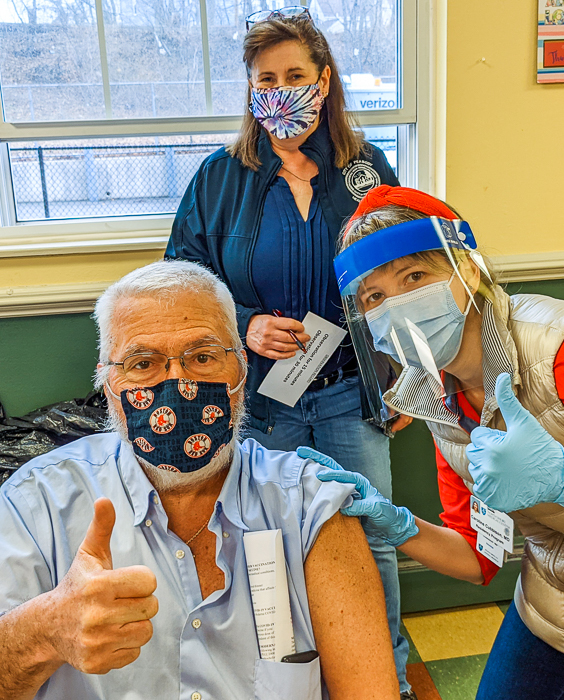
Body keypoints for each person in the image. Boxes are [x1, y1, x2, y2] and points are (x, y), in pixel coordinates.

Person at [0, 260, 400, 700]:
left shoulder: (309, 507)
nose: (178, 383)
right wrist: (45, 629)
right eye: (142, 363)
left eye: (203, 357)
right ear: (107, 382)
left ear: (242, 371)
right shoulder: (35, 506)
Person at [165, 12, 414, 695]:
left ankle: (378, 677)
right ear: (249, 90)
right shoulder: (219, 179)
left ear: (324, 80)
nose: (281, 92)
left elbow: (401, 280)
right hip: (259, 405)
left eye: (295, 77)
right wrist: (243, 324)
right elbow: (182, 283)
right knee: (262, 553)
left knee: (372, 543)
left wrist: (408, 383)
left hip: (346, 395)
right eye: (265, 79)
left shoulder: (366, 171)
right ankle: (280, 681)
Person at [299, 184, 564, 699]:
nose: (396, 306)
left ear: (467, 270)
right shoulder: (435, 402)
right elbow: (476, 557)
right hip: (549, 598)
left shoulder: (553, 348)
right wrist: (396, 522)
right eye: (374, 297)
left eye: (415, 277)